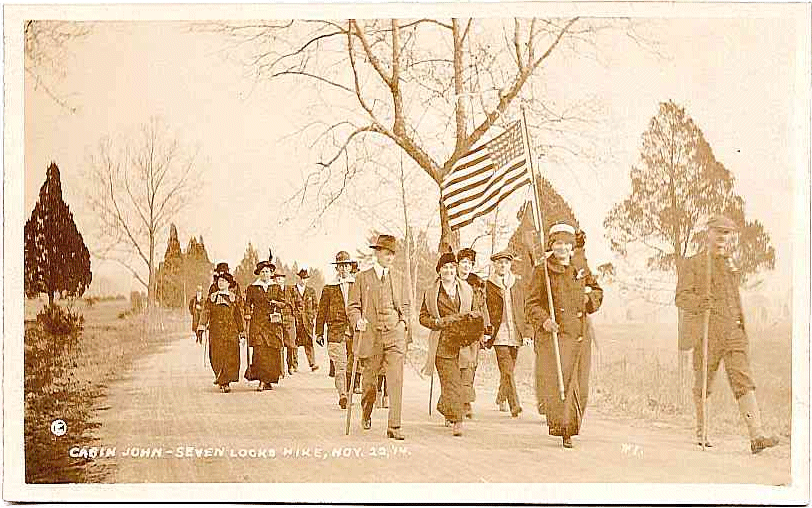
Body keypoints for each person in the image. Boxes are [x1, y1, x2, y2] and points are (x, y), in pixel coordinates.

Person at [675, 214, 780, 454]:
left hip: (733, 332)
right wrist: (700, 302)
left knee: (743, 380)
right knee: (704, 382)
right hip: (707, 333)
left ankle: (756, 435)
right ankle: (703, 431)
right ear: (708, 233)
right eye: (718, 232)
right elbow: (681, 297)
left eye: (726, 233)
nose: (722, 237)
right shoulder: (693, 263)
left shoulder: (730, 264)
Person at [525, 222, 603, 448]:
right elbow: (531, 304)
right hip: (556, 338)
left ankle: (572, 423)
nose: (562, 248)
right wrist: (545, 320)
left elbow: (597, 291)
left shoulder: (580, 268)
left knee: (580, 384)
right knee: (560, 384)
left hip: (580, 335)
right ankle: (565, 429)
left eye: (566, 244)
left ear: (572, 246)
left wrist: (589, 300)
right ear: (552, 246)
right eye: (558, 244)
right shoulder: (542, 270)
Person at [347, 234, 410, 440]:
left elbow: (406, 305)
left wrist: (403, 324)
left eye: (392, 253)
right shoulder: (362, 278)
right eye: (386, 253)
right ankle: (366, 410)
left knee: (396, 380)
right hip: (371, 336)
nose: (390, 257)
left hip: (394, 335)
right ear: (377, 253)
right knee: (370, 383)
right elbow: (353, 306)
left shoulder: (399, 277)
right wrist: (358, 321)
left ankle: (395, 426)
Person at [420, 251, 483, 436]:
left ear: (455, 270)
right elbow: (422, 317)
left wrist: (473, 326)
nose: (448, 271)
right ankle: (457, 420)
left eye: (451, 267)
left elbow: (477, 313)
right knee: (451, 382)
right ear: (439, 271)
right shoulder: (431, 293)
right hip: (442, 344)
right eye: (445, 268)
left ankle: (445, 407)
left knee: (461, 382)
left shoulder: (467, 290)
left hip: (463, 342)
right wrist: (435, 323)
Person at [485, 249, 532, 417]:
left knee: (509, 368)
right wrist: (486, 331)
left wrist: (528, 333)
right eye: (499, 263)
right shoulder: (488, 285)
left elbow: (526, 309)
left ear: (510, 265)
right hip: (499, 333)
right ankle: (514, 404)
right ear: (495, 265)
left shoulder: (518, 285)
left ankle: (501, 396)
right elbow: (485, 310)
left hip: (516, 332)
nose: (502, 265)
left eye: (505, 263)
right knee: (506, 368)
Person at [315, 250, 356, 408]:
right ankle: (343, 395)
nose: (344, 269)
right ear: (337, 268)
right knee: (340, 365)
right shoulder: (329, 288)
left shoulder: (357, 285)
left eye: (346, 265)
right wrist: (319, 332)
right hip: (336, 331)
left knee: (353, 366)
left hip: (355, 331)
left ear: (350, 267)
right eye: (340, 266)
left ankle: (350, 392)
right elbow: (322, 311)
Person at [456, 247, 491, 419]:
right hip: (455, 330)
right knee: (456, 367)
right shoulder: (450, 281)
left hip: (473, 330)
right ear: (457, 264)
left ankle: (466, 401)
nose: (466, 266)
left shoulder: (477, 284)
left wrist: (486, 329)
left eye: (469, 263)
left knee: (470, 366)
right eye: (463, 262)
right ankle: (456, 401)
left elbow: (483, 307)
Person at [198, 270, 246, 393]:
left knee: (231, 355)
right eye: (219, 281)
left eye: (224, 281)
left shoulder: (233, 298)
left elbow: (238, 315)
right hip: (216, 331)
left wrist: (242, 331)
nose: (221, 283)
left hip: (231, 330)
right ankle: (220, 378)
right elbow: (206, 312)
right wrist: (202, 325)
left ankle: (226, 381)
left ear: (229, 284)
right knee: (217, 354)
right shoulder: (212, 298)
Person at [244, 259, 285, 391]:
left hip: (272, 324)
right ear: (259, 273)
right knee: (260, 352)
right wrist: (247, 313)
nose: (265, 274)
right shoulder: (252, 288)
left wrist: (276, 303)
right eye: (262, 272)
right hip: (258, 324)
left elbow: (284, 303)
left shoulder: (276, 287)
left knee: (272, 352)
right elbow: (247, 304)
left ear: (271, 273)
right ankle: (261, 380)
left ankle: (269, 380)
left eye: (267, 272)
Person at [291, 267, 319, 372]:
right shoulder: (293, 290)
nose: (303, 280)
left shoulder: (311, 291)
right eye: (301, 278)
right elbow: (290, 304)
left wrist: (312, 316)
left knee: (309, 342)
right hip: (296, 321)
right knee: (294, 343)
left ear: (308, 279)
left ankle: (312, 364)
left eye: (305, 278)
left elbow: (316, 306)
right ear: (298, 278)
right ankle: (294, 365)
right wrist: (294, 315)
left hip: (308, 322)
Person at [273, 272, 297, 375]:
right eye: (276, 278)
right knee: (279, 344)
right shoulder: (272, 290)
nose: (278, 280)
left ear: (284, 279)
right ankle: (280, 369)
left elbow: (297, 302)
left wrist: (295, 315)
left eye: (280, 278)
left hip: (289, 318)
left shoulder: (290, 289)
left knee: (291, 344)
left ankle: (291, 365)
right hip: (277, 319)